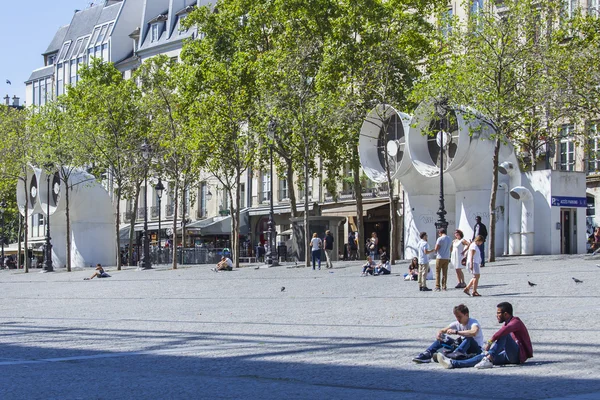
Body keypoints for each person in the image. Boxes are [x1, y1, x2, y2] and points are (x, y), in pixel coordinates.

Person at [437, 302, 533, 369]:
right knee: (483, 356)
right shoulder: (507, 323)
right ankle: (453, 363)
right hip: (506, 354)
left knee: (505, 335)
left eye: (498, 313)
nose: (497, 315)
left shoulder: (515, 322)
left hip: (518, 355)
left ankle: (489, 358)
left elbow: (503, 332)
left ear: (506, 314)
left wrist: (490, 342)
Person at [412, 304, 484, 363]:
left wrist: (456, 332)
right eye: (456, 317)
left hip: (475, 349)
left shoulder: (473, 322)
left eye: (459, 317)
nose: (458, 319)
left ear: (466, 315)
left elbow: (474, 332)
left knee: (468, 338)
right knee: (443, 337)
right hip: (463, 348)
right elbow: (442, 330)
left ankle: (453, 355)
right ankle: (428, 354)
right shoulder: (456, 323)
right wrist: (439, 334)